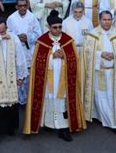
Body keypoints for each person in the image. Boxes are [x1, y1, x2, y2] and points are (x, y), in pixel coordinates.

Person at [23, 10, 86, 141]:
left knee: (62, 102)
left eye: (60, 27)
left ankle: (62, 129)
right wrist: (52, 56)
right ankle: (49, 124)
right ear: (49, 27)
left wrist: (66, 56)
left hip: (63, 79)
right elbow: (37, 61)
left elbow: (75, 58)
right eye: (55, 27)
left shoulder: (68, 40)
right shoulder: (42, 41)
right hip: (48, 80)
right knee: (48, 101)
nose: (58, 30)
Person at [82, 11, 116, 134]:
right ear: (99, 20)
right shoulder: (92, 35)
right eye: (104, 20)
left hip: (114, 73)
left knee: (112, 98)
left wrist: (115, 55)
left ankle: (114, 123)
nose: (107, 22)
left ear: (112, 20)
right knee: (100, 97)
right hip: (99, 72)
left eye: (109, 19)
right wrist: (100, 54)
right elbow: (87, 54)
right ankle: (106, 120)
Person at [6, 0, 41, 105]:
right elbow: (7, 34)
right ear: (16, 7)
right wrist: (17, 37)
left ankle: (28, 100)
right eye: (20, 6)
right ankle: (16, 99)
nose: (22, 8)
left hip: (28, 50)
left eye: (24, 5)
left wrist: (29, 37)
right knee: (18, 75)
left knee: (29, 76)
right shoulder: (11, 18)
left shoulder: (33, 17)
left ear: (27, 6)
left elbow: (38, 33)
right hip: (16, 51)